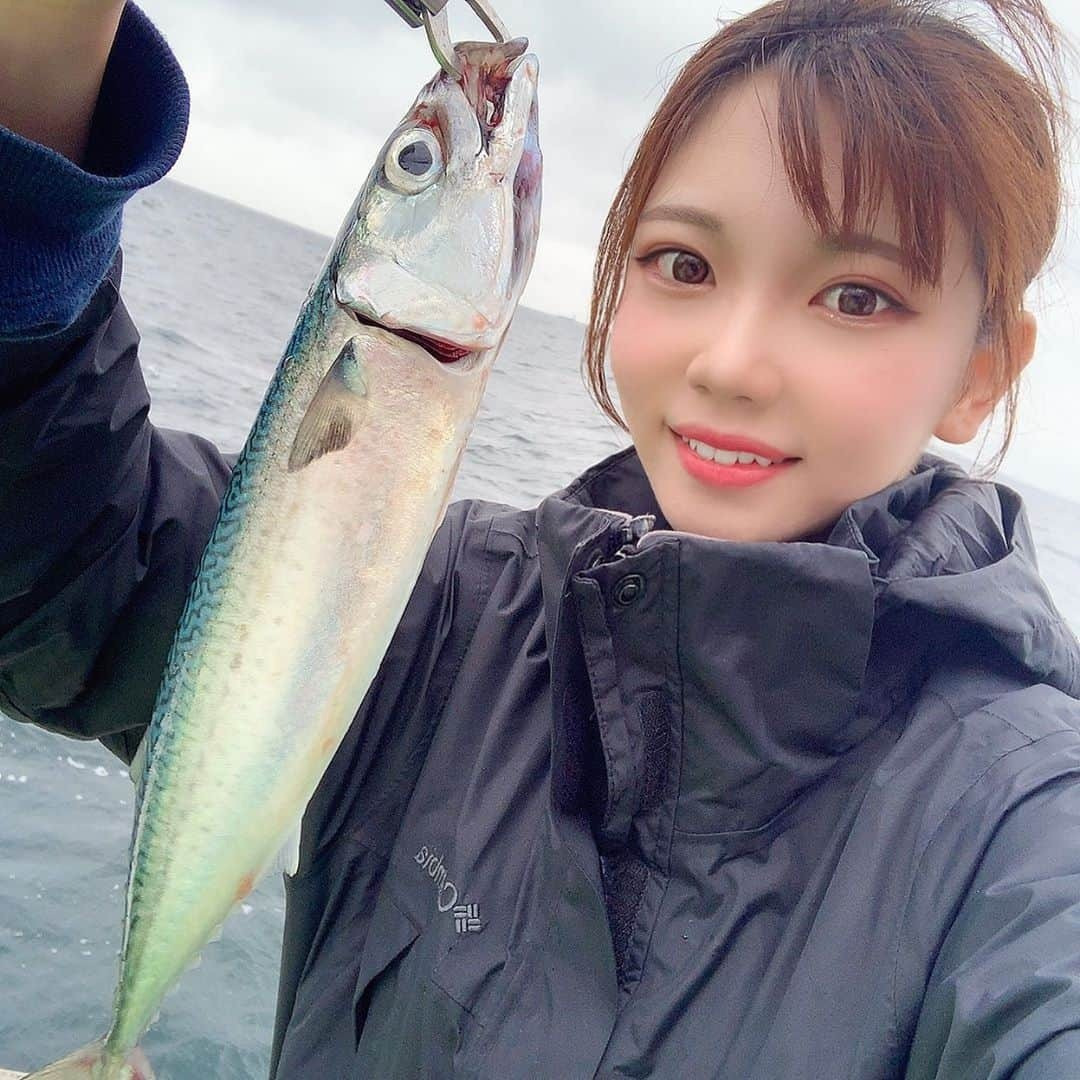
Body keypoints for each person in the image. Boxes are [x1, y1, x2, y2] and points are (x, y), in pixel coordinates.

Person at [2, 0, 1079, 1076]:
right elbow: (75, 558)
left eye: (857, 296)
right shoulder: (451, 617)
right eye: (684, 265)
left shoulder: (1020, 826)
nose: (731, 364)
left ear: (981, 370)